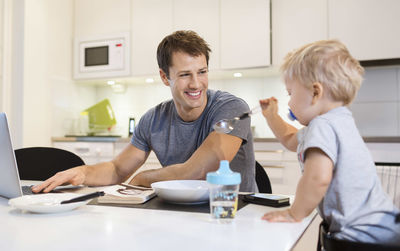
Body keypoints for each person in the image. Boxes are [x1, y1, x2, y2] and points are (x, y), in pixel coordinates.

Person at [33, 30, 256, 193]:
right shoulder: (153, 119)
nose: (196, 84)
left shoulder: (231, 109)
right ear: (164, 77)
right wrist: (82, 173)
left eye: (202, 72)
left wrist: (142, 178)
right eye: (185, 74)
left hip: (232, 210)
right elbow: (117, 169)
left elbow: (197, 170)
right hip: (178, 212)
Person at [259, 40, 400, 245]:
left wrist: (294, 213)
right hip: (380, 227)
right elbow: (291, 140)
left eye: (291, 93)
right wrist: (272, 117)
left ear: (316, 93)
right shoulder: (337, 120)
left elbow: (318, 178)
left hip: (365, 234)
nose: (289, 102)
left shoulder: (322, 126)